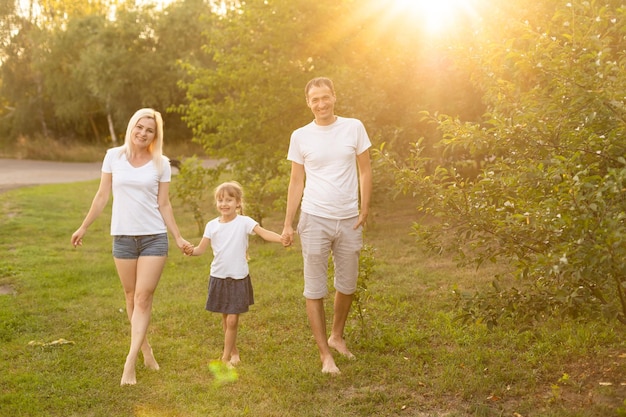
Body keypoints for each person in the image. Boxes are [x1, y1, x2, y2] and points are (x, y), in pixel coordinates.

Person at [70, 108, 190, 386]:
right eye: (140, 127)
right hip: (122, 237)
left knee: (143, 298)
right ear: (131, 127)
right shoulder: (114, 156)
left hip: (153, 238)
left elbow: (164, 204)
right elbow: (102, 196)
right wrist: (84, 226)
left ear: (155, 134)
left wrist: (178, 237)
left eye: (150, 129)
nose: (143, 133)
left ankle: (129, 362)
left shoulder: (161, 163)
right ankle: (146, 350)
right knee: (130, 294)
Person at [281, 77, 372, 374]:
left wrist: (365, 207)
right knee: (315, 288)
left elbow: (365, 169)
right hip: (314, 218)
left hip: (349, 218)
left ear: (334, 96)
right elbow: (296, 181)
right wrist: (288, 223)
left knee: (347, 284)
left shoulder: (353, 127)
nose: (321, 104)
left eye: (325, 97)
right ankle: (325, 355)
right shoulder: (300, 136)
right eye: (314, 99)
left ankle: (336, 336)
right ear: (308, 103)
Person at [183, 181, 283, 367]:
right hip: (219, 277)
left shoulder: (244, 222)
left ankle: (225, 358)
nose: (224, 204)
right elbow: (200, 250)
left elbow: (264, 233)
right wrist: (190, 250)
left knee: (232, 318)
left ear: (238, 202)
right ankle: (234, 352)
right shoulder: (212, 225)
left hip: (238, 278)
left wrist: (281, 238)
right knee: (226, 318)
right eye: (220, 200)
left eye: (229, 200)